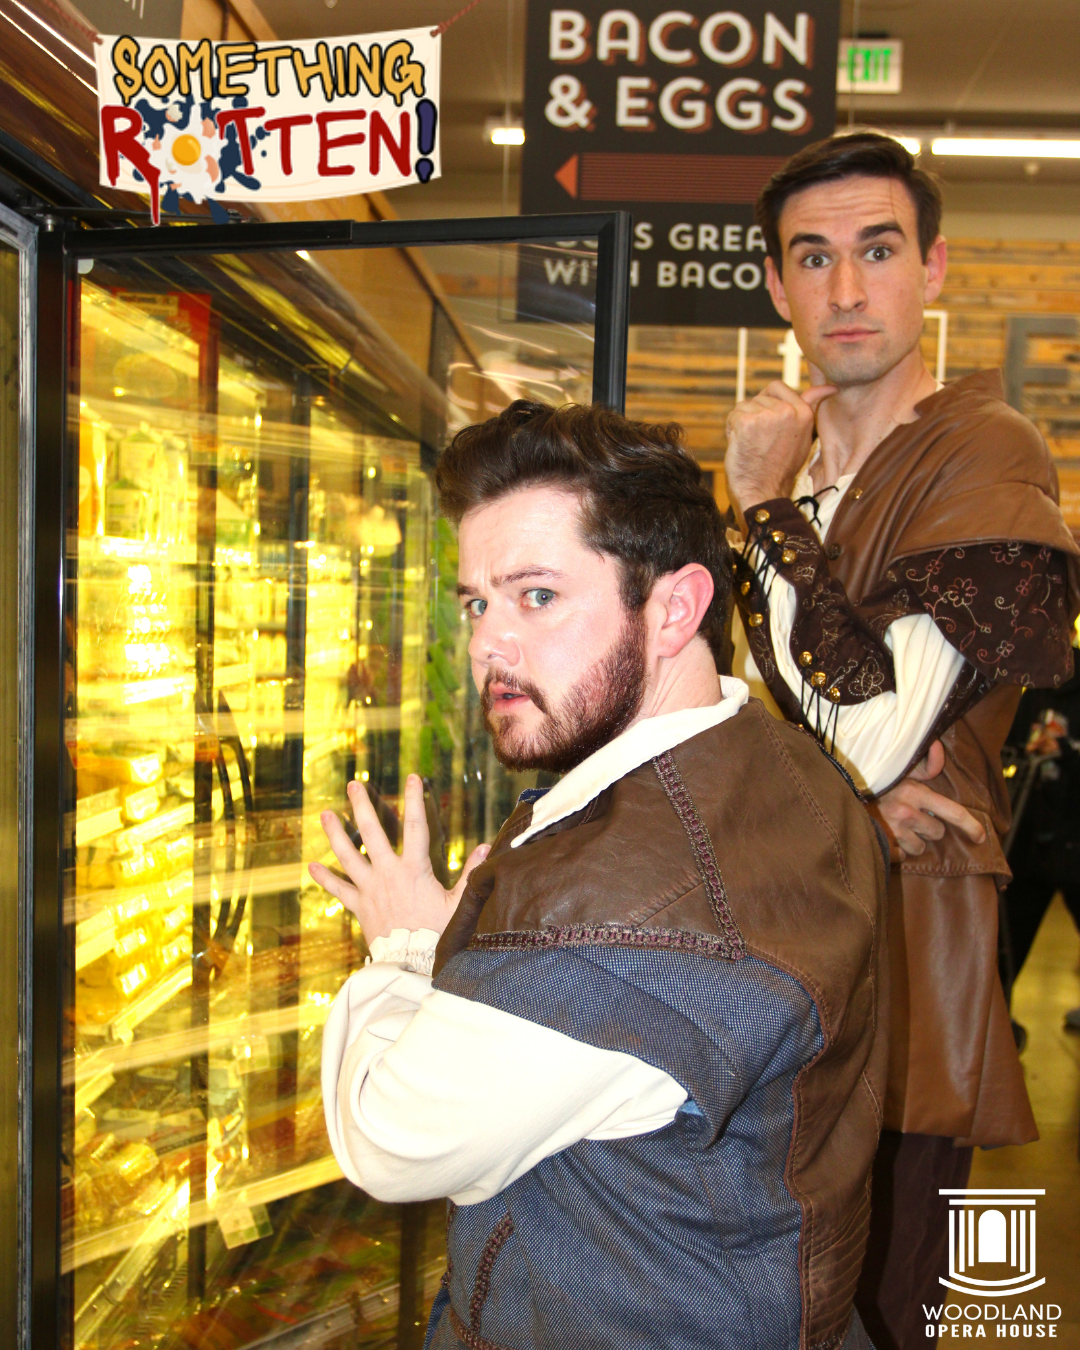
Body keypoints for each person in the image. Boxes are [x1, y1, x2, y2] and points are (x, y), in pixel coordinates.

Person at [317, 401, 888, 1350]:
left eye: (536, 595)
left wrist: (407, 946)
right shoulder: (791, 767)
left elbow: (388, 1140)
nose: (486, 643)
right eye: (477, 602)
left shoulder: (608, 924)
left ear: (674, 609)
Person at [722, 132, 1080, 1350]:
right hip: (778, 954)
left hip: (909, 956)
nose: (845, 288)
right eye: (812, 257)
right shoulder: (804, 483)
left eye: (877, 252)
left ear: (932, 270)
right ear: (776, 286)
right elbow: (758, 733)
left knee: (879, 1305)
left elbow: (875, 739)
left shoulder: (982, 452)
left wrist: (760, 509)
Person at [1001, 648, 1080, 1022]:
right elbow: (1009, 743)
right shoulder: (1033, 690)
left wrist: (1063, 749)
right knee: (1008, 941)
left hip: (1074, 838)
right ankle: (997, 1024)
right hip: (1032, 839)